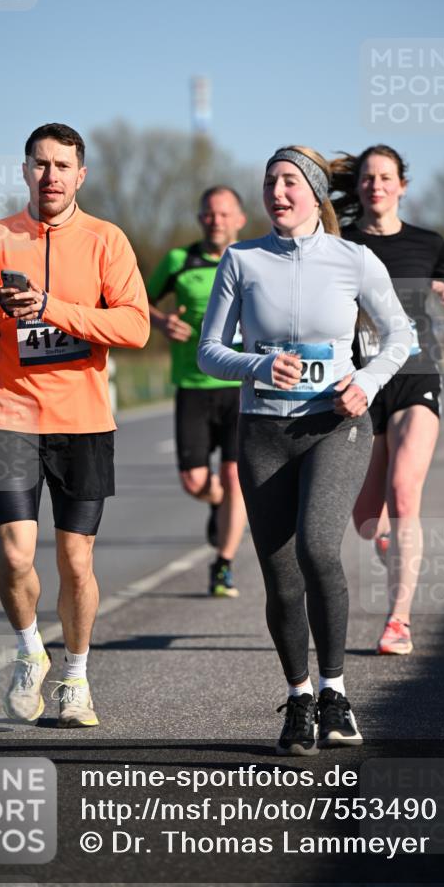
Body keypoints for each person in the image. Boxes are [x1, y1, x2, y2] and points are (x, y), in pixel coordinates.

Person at [198, 146, 410, 755]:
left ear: (315, 194)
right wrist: (258, 364)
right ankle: (298, 698)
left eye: (290, 181)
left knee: (318, 547)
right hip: (263, 433)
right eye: (270, 182)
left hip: (335, 426)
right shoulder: (241, 260)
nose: (277, 192)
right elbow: (209, 351)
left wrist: (366, 383)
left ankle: (334, 692)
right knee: (280, 573)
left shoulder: (354, 259)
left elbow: (401, 335)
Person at [0, 123, 150, 726]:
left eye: (62, 165)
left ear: (80, 175)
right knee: (15, 555)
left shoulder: (107, 240)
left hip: (83, 421)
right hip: (10, 416)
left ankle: (76, 678)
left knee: (76, 562)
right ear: (25, 170)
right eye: (40, 163)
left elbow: (135, 327)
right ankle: (31, 650)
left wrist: (54, 308)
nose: (50, 175)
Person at [333, 145, 444, 656]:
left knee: (404, 491)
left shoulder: (426, 242)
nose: (376, 185)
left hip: (416, 374)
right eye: (368, 177)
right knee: (367, 520)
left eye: (385, 177)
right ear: (359, 186)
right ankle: (395, 548)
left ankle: (398, 621)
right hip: (362, 383)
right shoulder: (341, 242)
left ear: (402, 186)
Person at [147, 187, 248, 597]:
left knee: (235, 476)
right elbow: (135, 301)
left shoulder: (253, 259)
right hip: (192, 384)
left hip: (240, 385)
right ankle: (217, 502)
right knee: (195, 481)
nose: (216, 221)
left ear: (239, 219)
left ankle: (223, 564)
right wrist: (162, 322)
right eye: (209, 214)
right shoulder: (178, 261)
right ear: (200, 218)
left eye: (224, 214)